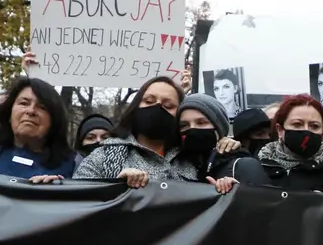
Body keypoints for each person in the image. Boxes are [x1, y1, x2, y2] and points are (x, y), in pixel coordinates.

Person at [73, 76, 240, 185]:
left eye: (168, 105)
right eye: (149, 101)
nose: (157, 108)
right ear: (136, 107)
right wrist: (115, 189)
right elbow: (77, 204)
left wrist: (225, 146)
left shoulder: (194, 156)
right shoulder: (104, 156)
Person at [0, 76, 76, 181]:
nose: (31, 111)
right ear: (9, 113)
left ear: (54, 119)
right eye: (24, 103)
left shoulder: (74, 164)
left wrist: (55, 192)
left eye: (42, 107)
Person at [256, 94, 323, 204]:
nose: (306, 131)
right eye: (297, 124)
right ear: (280, 130)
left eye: (314, 126)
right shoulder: (257, 167)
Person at [174, 93, 270, 192]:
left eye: (201, 122)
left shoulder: (242, 165)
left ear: (219, 128)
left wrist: (234, 193)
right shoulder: (175, 162)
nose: (192, 128)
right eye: (184, 125)